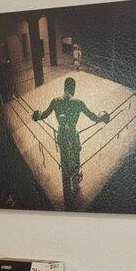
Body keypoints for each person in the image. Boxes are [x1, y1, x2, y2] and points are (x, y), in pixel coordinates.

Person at [29, 76, 112, 208]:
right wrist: (104, 116)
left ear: (64, 88)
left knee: (64, 160)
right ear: (73, 88)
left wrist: (36, 115)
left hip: (61, 136)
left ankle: (67, 183)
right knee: (76, 155)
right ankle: (76, 177)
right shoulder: (78, 103)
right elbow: (95, 118)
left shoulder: (55, 102)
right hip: (73, 136)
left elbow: (42, 115)